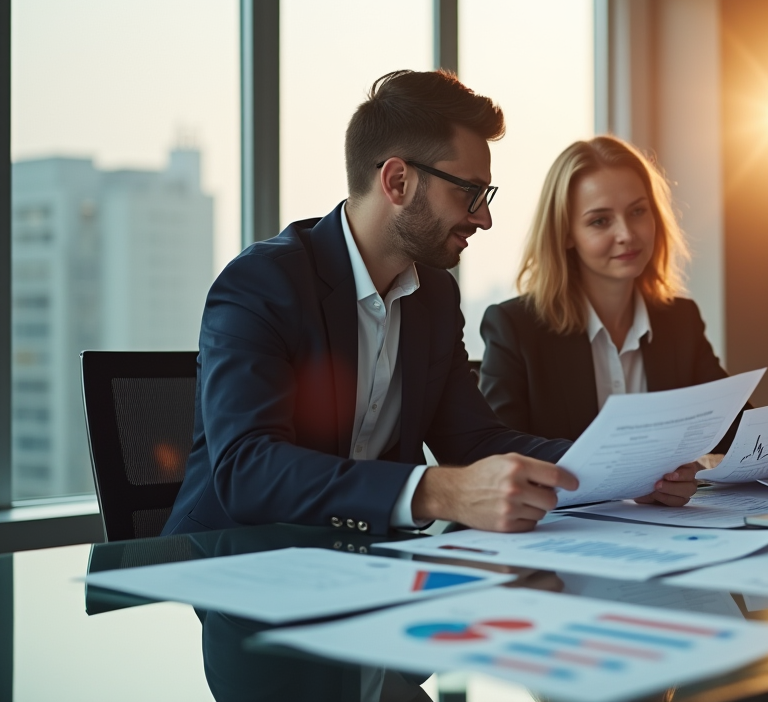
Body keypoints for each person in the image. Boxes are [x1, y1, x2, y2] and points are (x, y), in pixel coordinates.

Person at [164, 71, 697, 538]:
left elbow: (474, 437)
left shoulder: (434, 295)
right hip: (233, 567)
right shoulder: (264, 282)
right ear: (397, 180)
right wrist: (436, 491)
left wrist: (622, 469)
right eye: (470, 192)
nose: (483, 219)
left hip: (368, 566)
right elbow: (247, 471)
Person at [479, 136, 738, 461]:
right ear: (566, 233)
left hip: (664, 512)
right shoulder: (515, 328)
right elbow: (498, 452)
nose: (627, 234)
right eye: (600, 221)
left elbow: (733, 427)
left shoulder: (679, 320)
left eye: (638, 211)